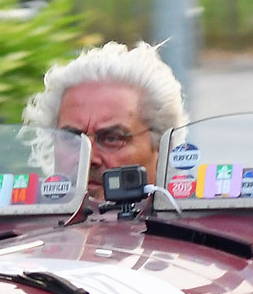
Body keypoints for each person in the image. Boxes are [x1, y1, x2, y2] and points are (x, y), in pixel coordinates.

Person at [20, 40, 182, 195]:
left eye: (111, 139)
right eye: (71, 138)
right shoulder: (29, 218)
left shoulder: (192, 219)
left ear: (163, 148)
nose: (88, 158)